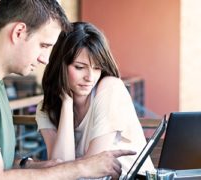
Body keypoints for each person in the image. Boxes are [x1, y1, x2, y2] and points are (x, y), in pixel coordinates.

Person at [0, 1, 136, 179]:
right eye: (44, 45)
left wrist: (33, 165)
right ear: (19, 32)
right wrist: (81, 168)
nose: (45, 58)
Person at [35, 22, 154, 178]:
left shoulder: (110, 88)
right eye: (79, 67)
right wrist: (66, 104)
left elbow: (91, 170)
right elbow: (60, 169)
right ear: (60, 66)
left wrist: (66, 170)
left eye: (97, 67)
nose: (90, 77)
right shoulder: (46, 108)